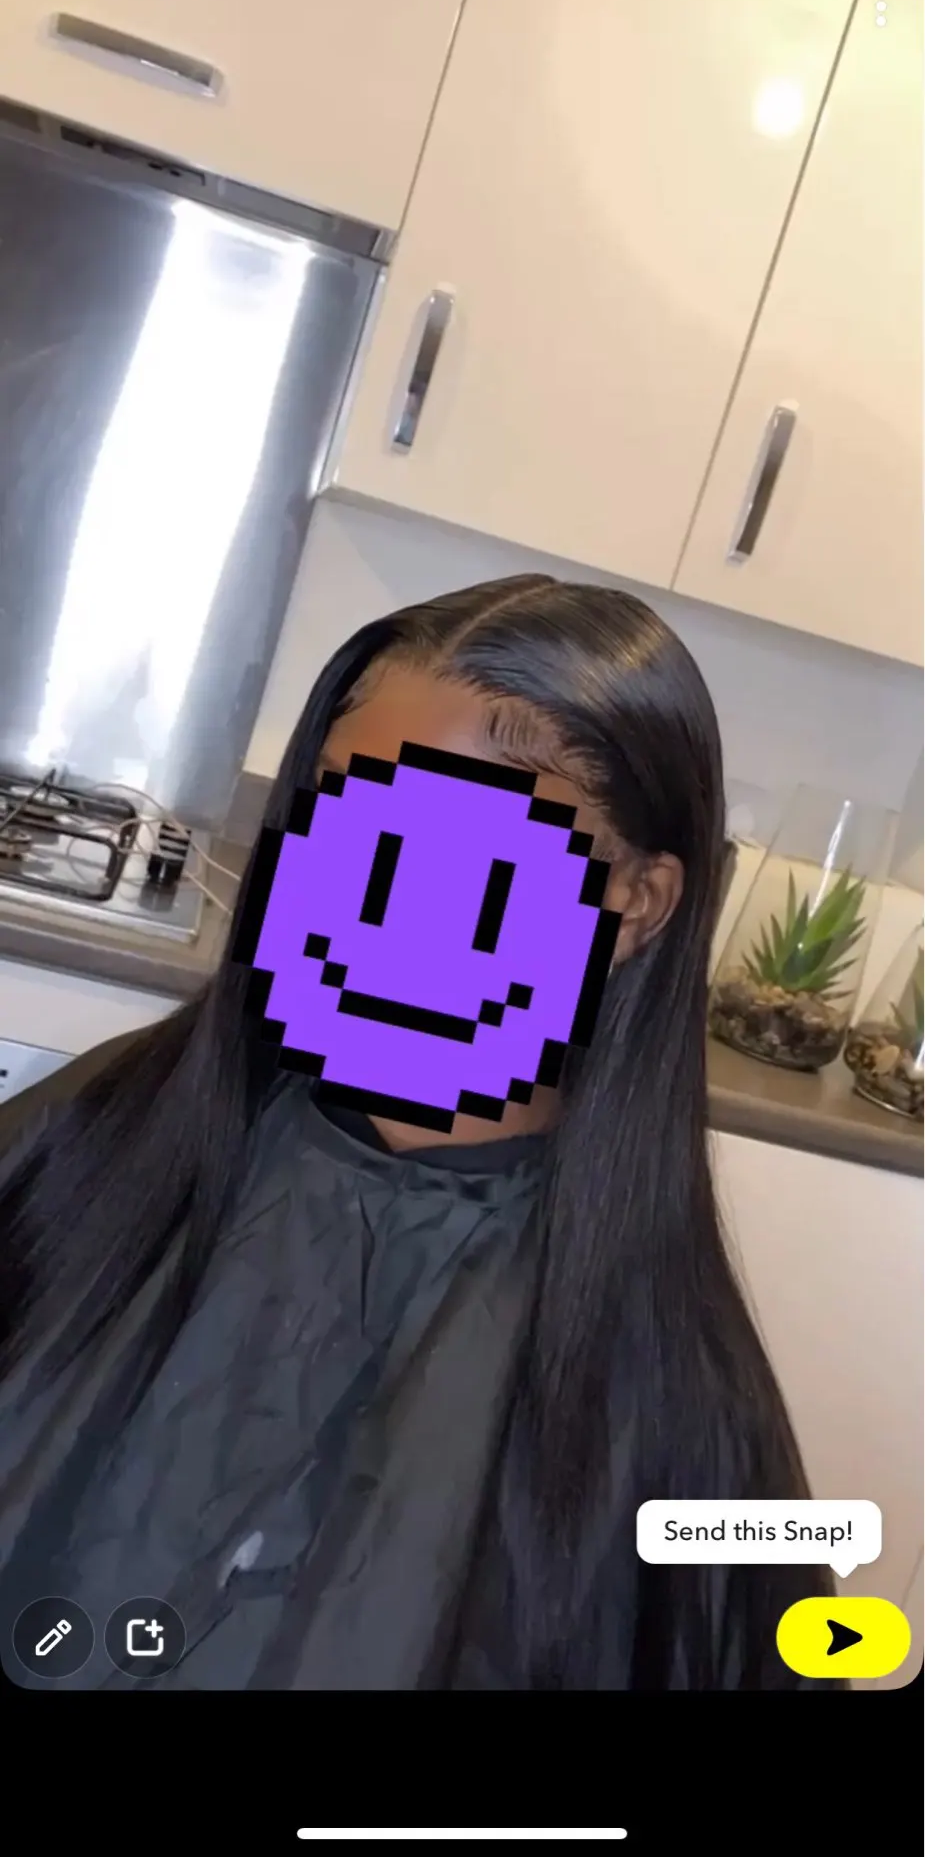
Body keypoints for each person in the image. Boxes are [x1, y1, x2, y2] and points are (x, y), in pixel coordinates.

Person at [0, 574, 837, 1691]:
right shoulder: (99, 1138)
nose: (386, 895)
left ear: (636, 902)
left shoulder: (680, 1402)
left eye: (464, 851)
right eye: (349, 819)